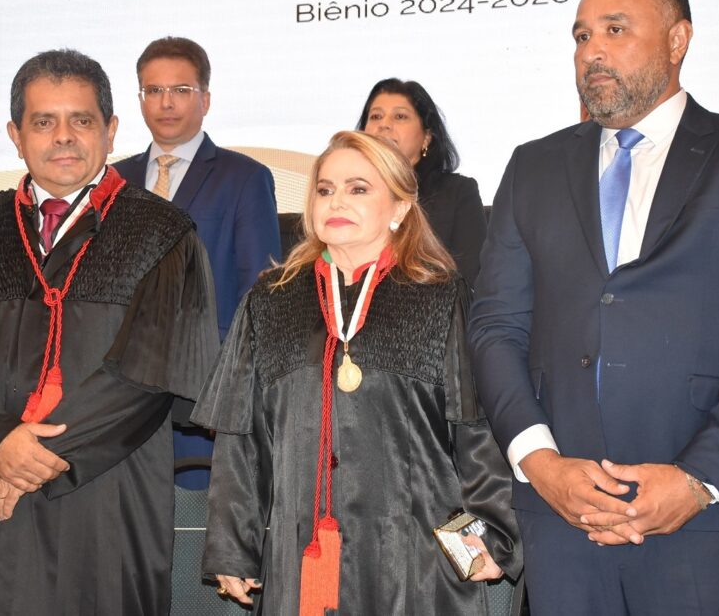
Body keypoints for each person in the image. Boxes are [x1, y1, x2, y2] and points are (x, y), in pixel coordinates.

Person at [468, 0, 719, 615]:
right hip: (562, 518)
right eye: (581, 35)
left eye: (615, 29)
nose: (591, 51)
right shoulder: (532, 166)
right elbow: (496, 325)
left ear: (677, 39)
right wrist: (540, 462)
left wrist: (698, 478)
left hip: (707, 520)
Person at [0, 49, 220, 615]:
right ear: (16, 135)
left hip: (104, 488)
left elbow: (152, 372)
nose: (64, 137)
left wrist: (33, 455)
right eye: (43, 122)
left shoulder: (162, 232)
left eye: (82, 120)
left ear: (111, 130)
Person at [191, 131, 520, 614]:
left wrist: (491, 532)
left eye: (358, 188)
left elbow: (477, 432)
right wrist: (232, 548)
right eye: (325, 189)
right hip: (302, 557)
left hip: (417, 561)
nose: (336, 201)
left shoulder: (440, 296)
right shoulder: (271, 301)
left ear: (400, 207)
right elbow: (242, 442)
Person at [115, 36, 280, 489]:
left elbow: (260, 293)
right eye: (153, 90)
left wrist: (230, 386)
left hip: (205, 393)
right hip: (120, 397)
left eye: (181, 90)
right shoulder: (113, 180)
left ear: (205, 99)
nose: (166, 102)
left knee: (194, 522)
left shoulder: (243, 177)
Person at [357, 78, 487, 282]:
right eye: (375, 116)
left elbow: (470, 279)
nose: (384, 125)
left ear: (426, 137)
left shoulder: (457, 193)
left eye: (400, 116)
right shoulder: (345, 194)